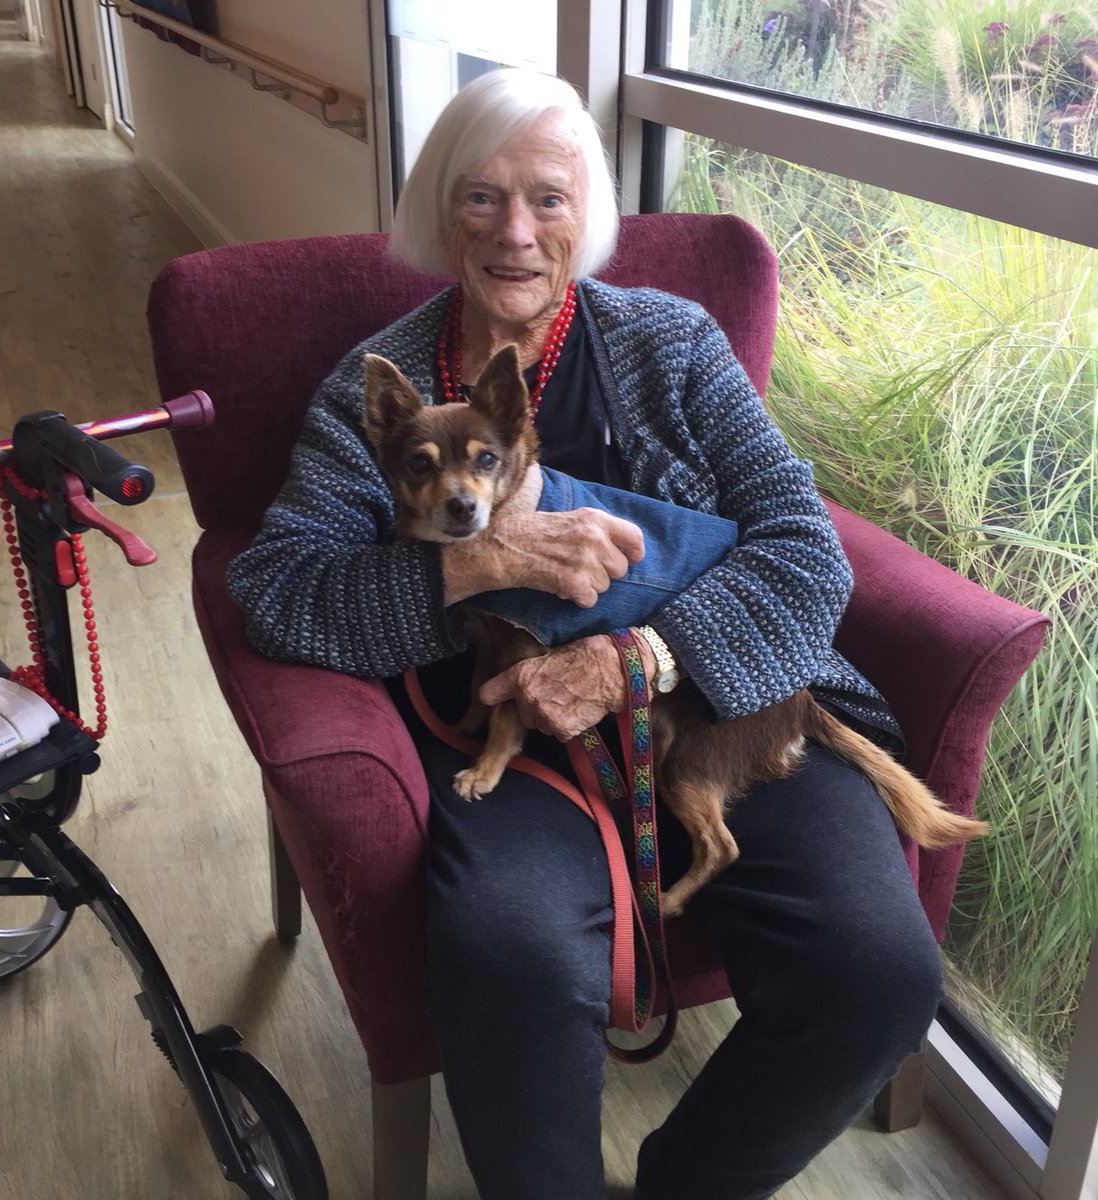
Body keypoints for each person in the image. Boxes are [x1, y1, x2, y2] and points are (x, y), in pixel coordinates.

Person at [227, 68, 943, 1200]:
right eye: (480, 197)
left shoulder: (673, 343)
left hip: (724, 702)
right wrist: (480, 560)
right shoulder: (375, 397)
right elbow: (276, 590)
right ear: (439, 214)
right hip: (508, 750)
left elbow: (804, 548)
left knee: (880, 973)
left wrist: (636, 660)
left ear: (586, 217)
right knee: (503, 955)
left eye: (547, 199)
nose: (514, 232)